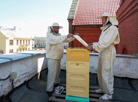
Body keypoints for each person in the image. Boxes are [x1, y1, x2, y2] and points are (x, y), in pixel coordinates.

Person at [87, 12, 120, 100]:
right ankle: (102, 89)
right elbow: (102, 42)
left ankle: (109, 93)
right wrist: (93, 44)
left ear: (108, 19)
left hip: (108, 51)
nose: (102, 21)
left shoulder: (112, 28)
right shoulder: (105, 29)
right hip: (103, 51)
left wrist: (93, 46)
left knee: (106, 72)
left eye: (103, 19)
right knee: (100, 71)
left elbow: (106, 43)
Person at [46, 22, 75, 96]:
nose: (57, 29)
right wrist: (66, 36)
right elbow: (56, 39)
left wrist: (73, 37)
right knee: (52, 73)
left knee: (57, 72)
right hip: (52, 57)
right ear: (52, 28)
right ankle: (49, 89)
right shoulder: (50, 35)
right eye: (56, 27)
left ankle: (55, 83)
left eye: (58, 28)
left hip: (58, 56)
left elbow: (65, 40)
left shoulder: (58, 36)